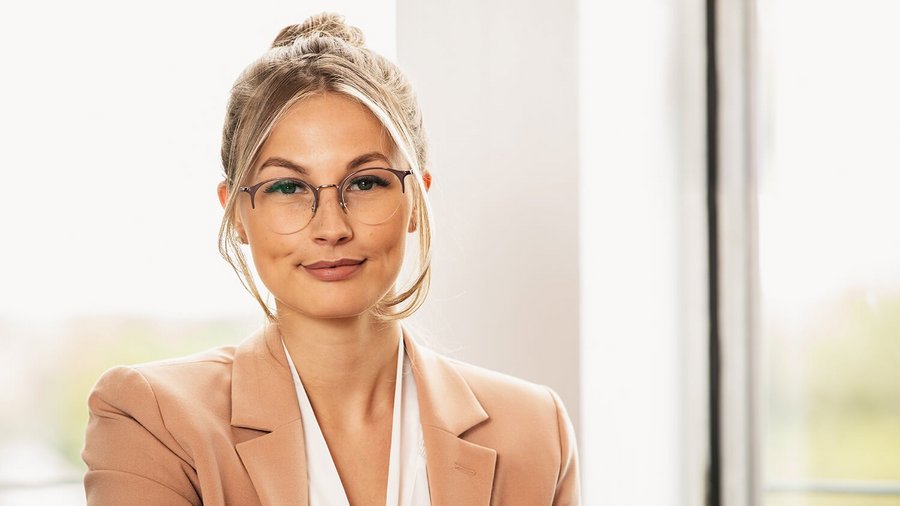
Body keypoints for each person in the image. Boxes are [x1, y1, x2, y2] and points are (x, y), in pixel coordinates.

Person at [81, 12, 580, 506]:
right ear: (236, 213)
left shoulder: (535, 429)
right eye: (288, 187)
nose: (332, 228)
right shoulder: (153, 419)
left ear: (415, 201)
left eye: (366, 182)